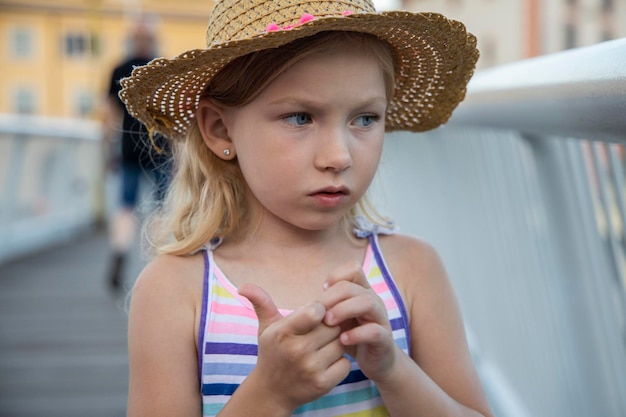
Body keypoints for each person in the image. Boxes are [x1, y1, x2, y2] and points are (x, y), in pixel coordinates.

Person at [120, 0, 493, 416]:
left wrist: (393, 370)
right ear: (220, 128)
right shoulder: (174, 290)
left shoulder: (412, 269)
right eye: (300, 118)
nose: (339, 156)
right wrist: (270, 393)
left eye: (365, 119)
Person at [102, 21, 171, 289]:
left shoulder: (119, 69)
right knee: (160, 207)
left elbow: (109, 114)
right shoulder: (160, 68)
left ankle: (120, 257)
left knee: (126, 208)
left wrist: (107, 149)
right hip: (159, 148)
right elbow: (170, 114)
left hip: (131, 149)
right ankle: (160, 262)